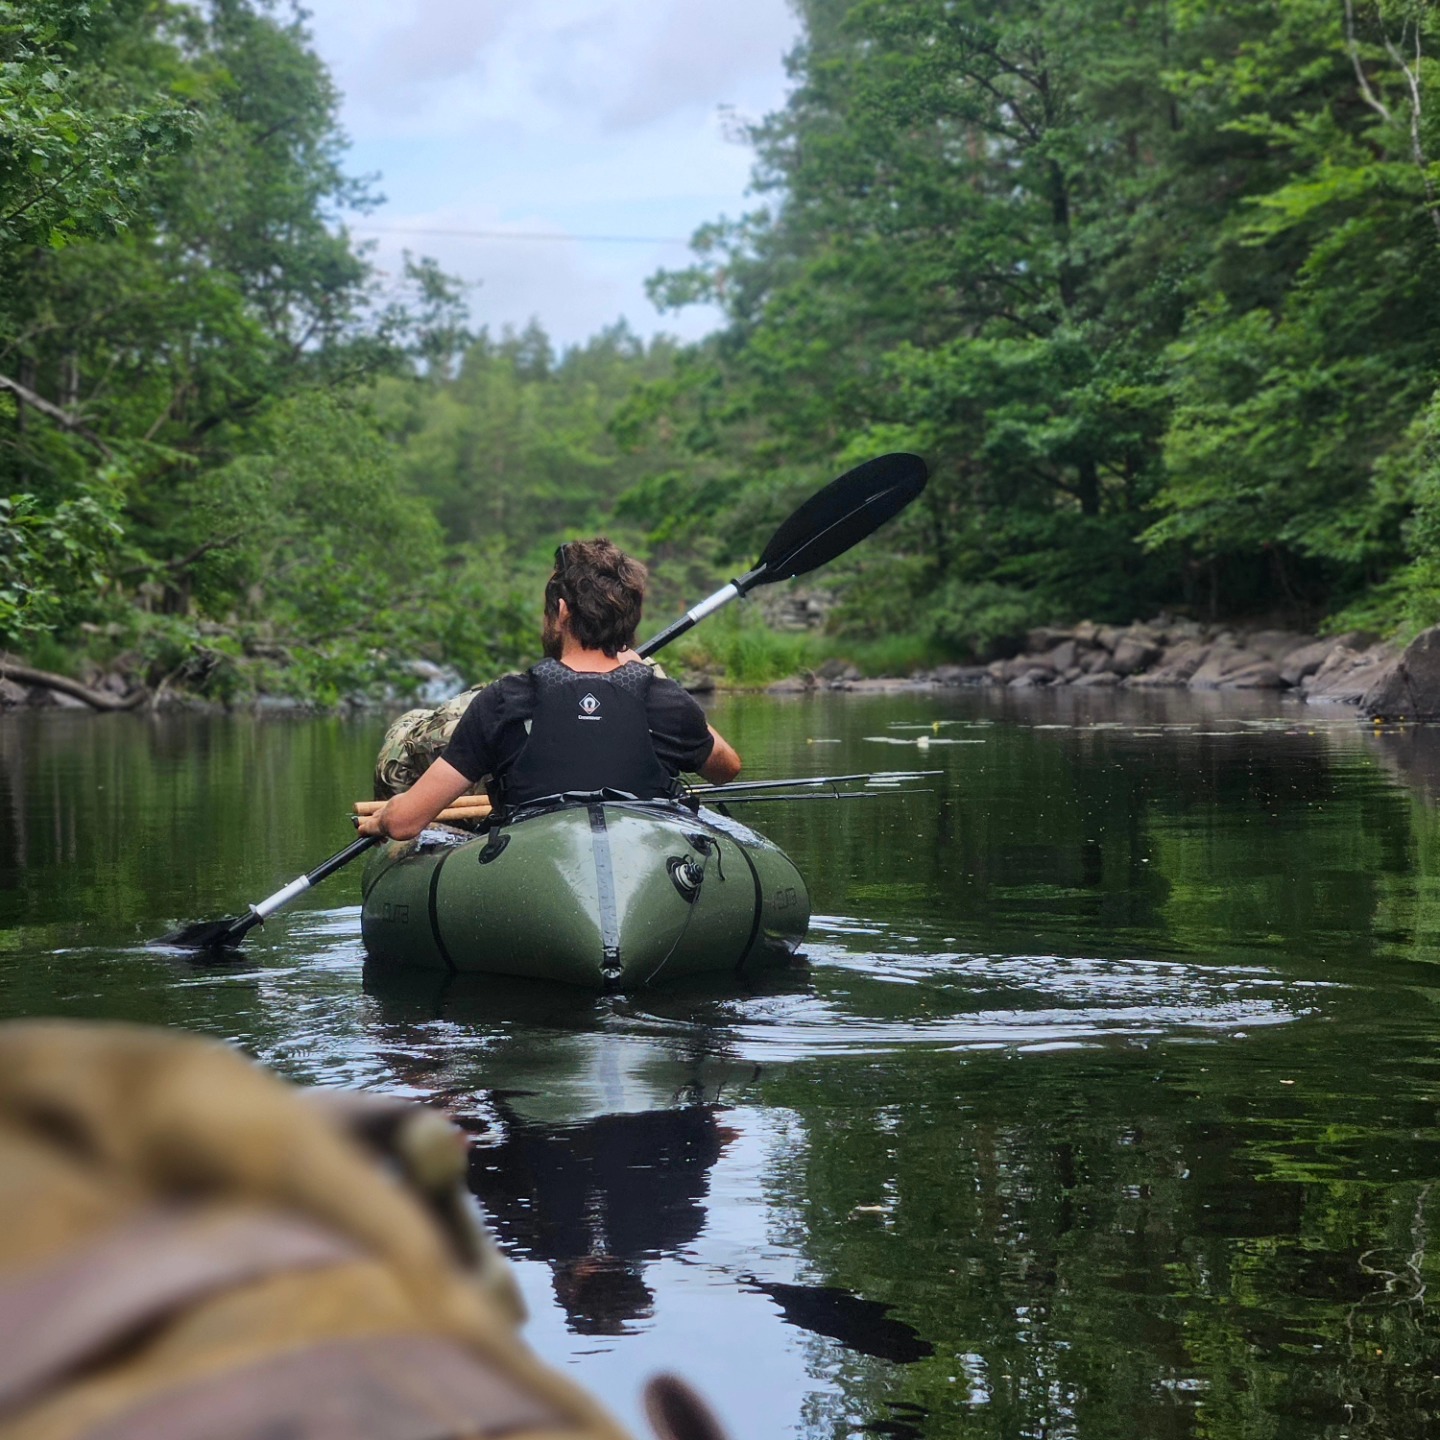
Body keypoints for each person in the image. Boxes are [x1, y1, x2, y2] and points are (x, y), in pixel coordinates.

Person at [358, 539, 741, 843]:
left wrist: (384, 819)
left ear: (561, 612)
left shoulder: (506, 700)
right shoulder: (666, 701)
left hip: (531, 863)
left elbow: (406, 822)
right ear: (630, 620)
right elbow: (727, 769)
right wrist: (651, 676)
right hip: (643, 851)